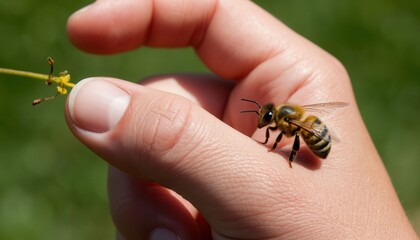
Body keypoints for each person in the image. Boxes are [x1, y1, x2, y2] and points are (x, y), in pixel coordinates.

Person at [65, 0, 418, 239]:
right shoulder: (286, 116)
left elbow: (295, 134)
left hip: (316, 142)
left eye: (266, 119)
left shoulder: (289, 123)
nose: (264, 122)